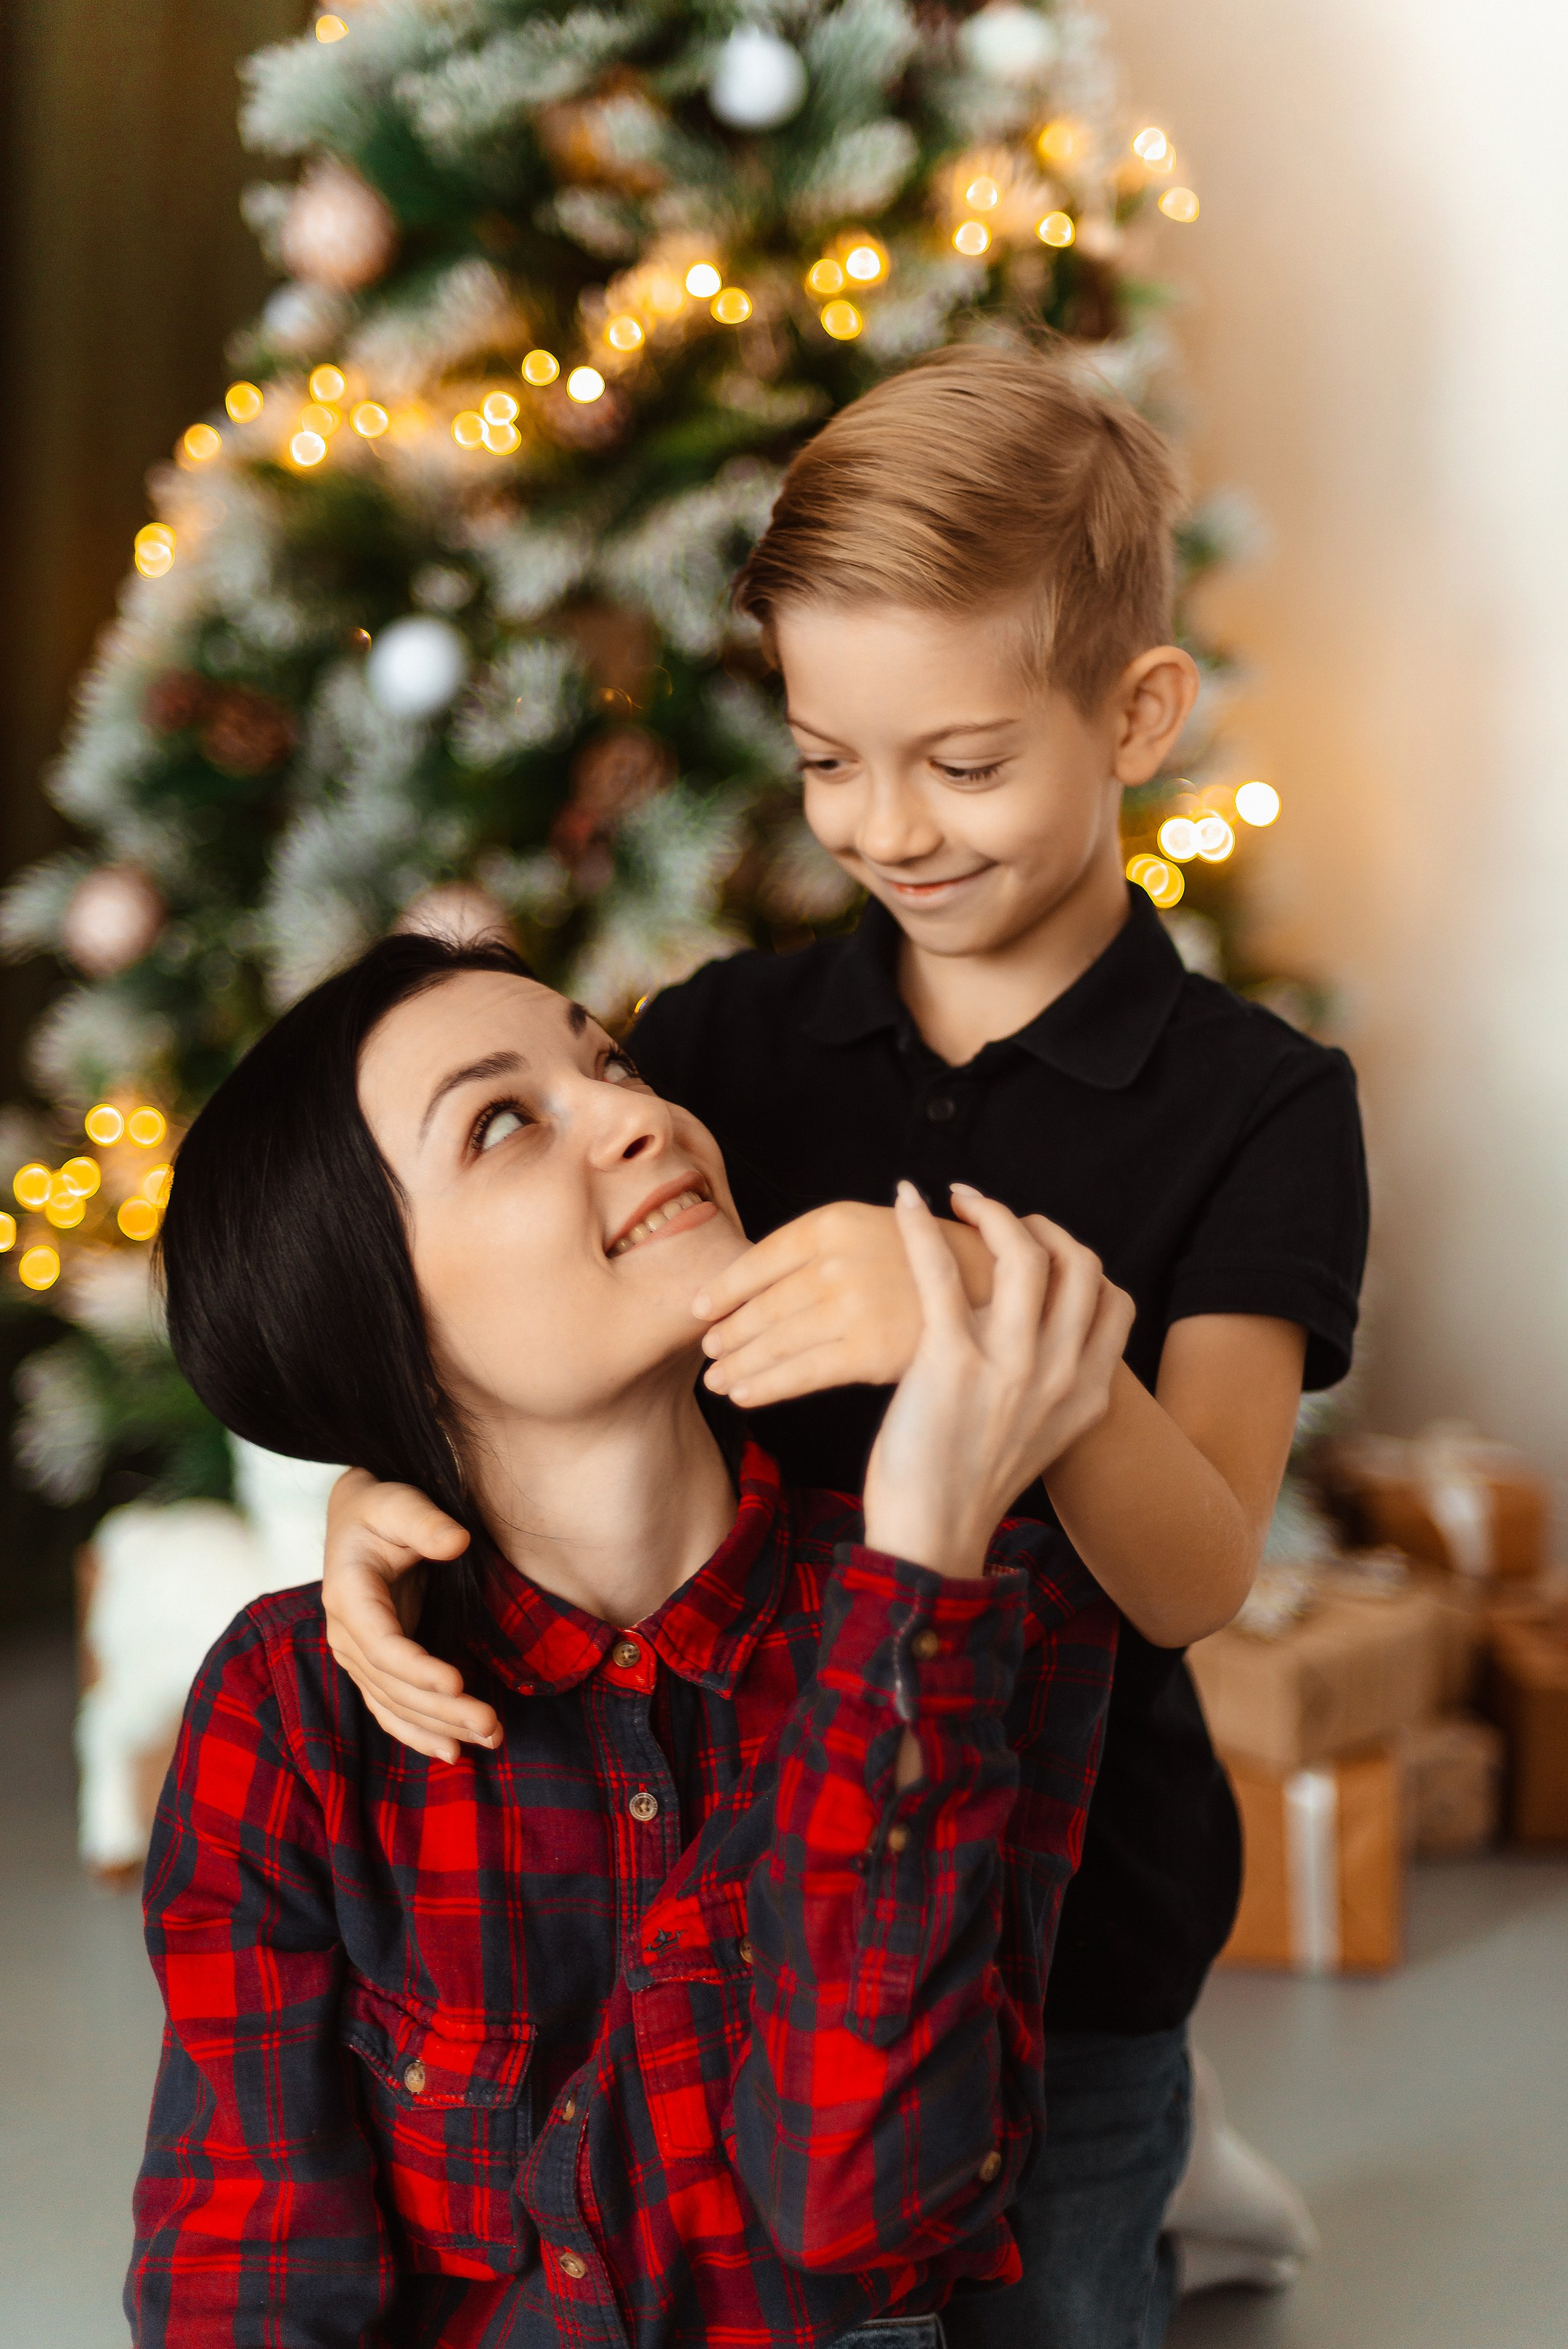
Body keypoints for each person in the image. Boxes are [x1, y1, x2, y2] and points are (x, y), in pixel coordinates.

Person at [319, 348, 1371, 2348]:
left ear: (1138, 714)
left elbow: (1203, 1567)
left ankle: (1183, 2203)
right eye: (827, 759)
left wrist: (975, 1334)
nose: (888, 826)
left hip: (1077, 1949)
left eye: (963, 763)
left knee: (1053, 2291)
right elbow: (543, 1337)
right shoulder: (722, 1039)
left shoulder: (1260, 1103)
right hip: (754, 1895)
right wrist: (391, 1495)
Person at [127, 930, 1129, 2349]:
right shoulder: (292, 1705)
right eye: (503, 1120)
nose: (639, 1112)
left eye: (612, 1062)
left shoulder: (985, 1603)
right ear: (372, 1313)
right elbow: (250, 2265)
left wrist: (918, 1586)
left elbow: (866, 2206)